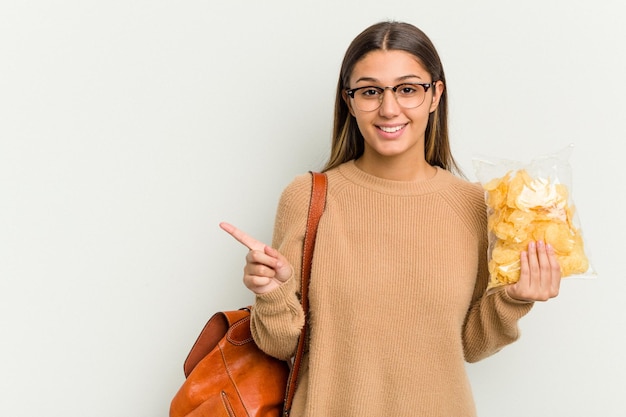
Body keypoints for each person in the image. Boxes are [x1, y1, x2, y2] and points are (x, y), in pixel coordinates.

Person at [220, 21, 561, 417]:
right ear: (349, 102)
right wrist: (273, 292)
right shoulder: (307, 197)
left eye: (407, 89)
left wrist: (515, 299)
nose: (388, 108)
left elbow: (471, 345)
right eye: (369, 91)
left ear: (435, 95)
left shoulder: (474, 206)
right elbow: (279, 346)